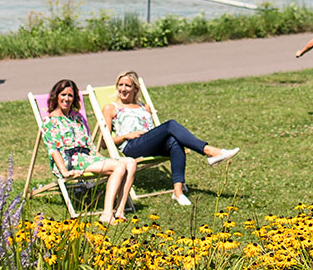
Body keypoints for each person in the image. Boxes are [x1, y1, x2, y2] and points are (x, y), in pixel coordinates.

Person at [100, 71, 239, 206]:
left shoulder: (145, 107)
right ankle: (209, 151)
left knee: (174, 141)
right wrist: (125, 136)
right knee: (170, 125)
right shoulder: (111, 108)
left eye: (127, 85)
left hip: (150, 143)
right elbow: (104, 143)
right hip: (132, 146)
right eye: (120, 85)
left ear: (135, 88)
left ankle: (178, 192)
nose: (123, 89)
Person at [40, 79, 138, 223]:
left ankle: (120, 210)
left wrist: (101, 158)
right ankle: (106, 213)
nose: (66, 99)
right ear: (56, 96)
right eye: (63, 95)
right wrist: (64, 172)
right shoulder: (49, 121)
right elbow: (53, 150)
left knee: (130, 162)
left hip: (87, 157)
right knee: (118, 166)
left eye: (70, 96)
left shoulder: (77, 118)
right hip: (71, 161)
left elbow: (88, 144)